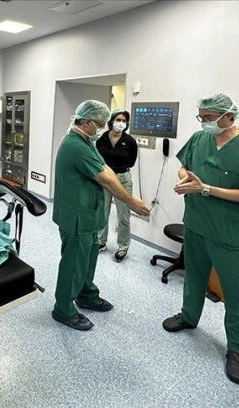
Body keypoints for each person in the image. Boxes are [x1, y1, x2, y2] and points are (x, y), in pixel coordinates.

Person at [162, 92, 239, 385]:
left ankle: (237, 350)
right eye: (200, 117)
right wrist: (186, 176)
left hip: (229, 232)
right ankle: (189, 316)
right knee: (194, 277)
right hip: (196, 225)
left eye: (209, 118)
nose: (204, 122)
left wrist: (206, 189)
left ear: (229, 116)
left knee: (236, 291)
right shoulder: (199, 139)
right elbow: (183, 165)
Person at [51, 100, 150, 331]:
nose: (103, 128)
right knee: (74, 264)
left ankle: (86, 295)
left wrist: (126, 195)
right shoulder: (75, 145)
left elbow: (105, 168)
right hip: (76, 216)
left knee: (88, 258)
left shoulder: (86, 141)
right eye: (100, 123)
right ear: (86, 122)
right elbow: (104, 178)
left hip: (89, 213)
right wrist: (130, 201)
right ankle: (63, 309)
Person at [96, 109, 138, 262]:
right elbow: (97, 159)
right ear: (111, 121)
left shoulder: (130, 141)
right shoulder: (102, 139)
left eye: (124, 121)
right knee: (102, 213)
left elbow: (131, 162)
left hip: (122, 179)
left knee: (123, 216)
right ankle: (101, 242)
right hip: (105, 179)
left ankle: (123, 247)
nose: (121, 123)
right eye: (118, 120)